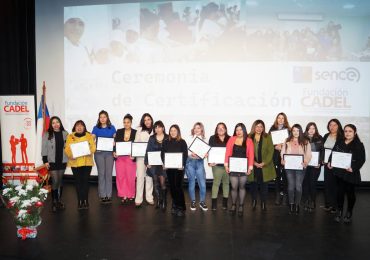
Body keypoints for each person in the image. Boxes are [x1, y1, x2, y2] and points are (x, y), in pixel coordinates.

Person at [328, 124, 365, 223]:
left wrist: (353, 168)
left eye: (350, 131)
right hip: (339, 172)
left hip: (350, 173)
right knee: (339, 193)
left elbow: (362, 159)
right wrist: (330, 162)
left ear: (355, 133)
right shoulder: (339, 142)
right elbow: (333, 153)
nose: (347, 133)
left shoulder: (359, 144)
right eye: (346, 131)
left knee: (350, 194)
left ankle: (349, 212)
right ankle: (339, 211)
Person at [64, 120, 96, 210]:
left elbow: (93, 147)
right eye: (77, 125)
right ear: (75, 127)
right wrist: (71, 155)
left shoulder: (89, 135)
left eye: (81, 125)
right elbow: (67, 149)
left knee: (85, 182)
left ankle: (85, 200)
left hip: (87, 162)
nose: (79, 127)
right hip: (75, 162)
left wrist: (88, 151)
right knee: (78, 182)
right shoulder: (70, 136)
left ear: (84, 127)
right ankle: (79, 201)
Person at [281, 124, 312, 215]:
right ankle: (291, 204)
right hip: (289, 167)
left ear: (300, 131)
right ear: (292, 131)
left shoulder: (306, 142)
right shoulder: (287, 141)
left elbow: (309, 154)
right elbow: (283, 152)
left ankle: (297, 204)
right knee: (291, 186)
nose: (295, 132)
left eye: (298, 131)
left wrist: (306, 161)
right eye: (294, 130)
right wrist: (282, 159)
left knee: (298, 186)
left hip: (300, 167)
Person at [225, 123, 254, 217]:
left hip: (243, 168)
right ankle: (233, 205)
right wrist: (226, 165)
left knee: (242, 187)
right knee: (234, 187)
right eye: (237, 130)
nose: (238, 132)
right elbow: (227, 153)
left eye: (240, 129)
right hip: (233, 168)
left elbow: (251, 155)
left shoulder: (249, 140)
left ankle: (241, 206)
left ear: (244, 130)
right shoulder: (231, 139)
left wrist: (250, 167)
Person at [41, 116, 69, 212]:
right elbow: (44, 148)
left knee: (60, 181)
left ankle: (59, 201)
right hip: (51, 161)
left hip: (62, 160)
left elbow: (69, 146)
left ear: (60, 123)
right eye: (53, 123)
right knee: (55, 180)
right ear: (51, 125)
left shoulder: (65, 134)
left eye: (57, 122)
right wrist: (45, 161)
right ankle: (54, 201)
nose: (56, 124)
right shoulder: (47, 134)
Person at [161, 124, 188, 217]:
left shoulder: (182, 142)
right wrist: (164, 163)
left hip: (179, 169)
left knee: (178, 187)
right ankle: (174, 205)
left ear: (178, 132)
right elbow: (162, 154)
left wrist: (182, 165)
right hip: (169, 168)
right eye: (171, 130)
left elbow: (185, 155)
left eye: (175, 130)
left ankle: (181, 207)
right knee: (172, 187)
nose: (173, 132)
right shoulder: (165, 142)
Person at [248, 120, 275, 211]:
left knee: (264, 186)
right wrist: (254, 163)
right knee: (253, 185)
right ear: (254, 127)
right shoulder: (249, 137)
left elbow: (271, 151)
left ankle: (263, 203)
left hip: (264, 166)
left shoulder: (267, 137)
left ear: (263, 128)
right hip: (253, 166)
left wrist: (264, 163)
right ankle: (254, 201)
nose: (259, 128)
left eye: (261, 127)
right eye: (257, 126)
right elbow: (246, 152)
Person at [92, 110, 116, 204]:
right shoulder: (96, 128)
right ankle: (102, 195)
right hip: (99, 153)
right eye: (101, 117)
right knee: (101, 174)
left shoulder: (112, 127)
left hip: (109, 153)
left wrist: (116, 140)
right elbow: (92, 137)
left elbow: (116, 136)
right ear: (99, 118)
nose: (102, 119)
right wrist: (92, 143)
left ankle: (108, 195)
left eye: (104, 117)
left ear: (107, 118)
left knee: (108, 174)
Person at [145, 120, 168, 210]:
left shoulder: (167, 137)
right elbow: (148, 150)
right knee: (155, 183)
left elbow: (170, 151)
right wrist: (147, 162)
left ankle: (164, 201)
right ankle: (159, 200)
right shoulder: (151, 138)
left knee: (162, 183)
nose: (157, 129)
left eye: (159, 127)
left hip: (163, 165)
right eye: (156, 127)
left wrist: (168, 163)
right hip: (154, 164)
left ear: (163, 127)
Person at [113, 114, 137, 204]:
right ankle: (123, 194)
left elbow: (136, 145)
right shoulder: (119, 131)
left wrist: (134, 155)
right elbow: (115, 144)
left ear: (131, 123)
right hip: (120, 158)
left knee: (130, 177)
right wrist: (114, 152)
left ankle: (131, 194)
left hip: (130, 158)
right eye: (124, 122)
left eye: (128, 122)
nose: (126, 124)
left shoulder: (135, 132)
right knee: (121, 177)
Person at [322, 119, 344, 213]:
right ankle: (328, 204)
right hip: (327, 164)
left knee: (336, 186)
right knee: (327, 184)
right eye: (330, 125)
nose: (332, 127)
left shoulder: (342, 137)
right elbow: (322, 149)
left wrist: (332, 161)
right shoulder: (326, 135)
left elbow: (341, 151)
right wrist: (322, 159)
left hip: (337, 164)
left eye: (335, 125)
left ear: (338, 126)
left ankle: (335, 206)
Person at [269, 112, 291, 205]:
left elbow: (291, 142)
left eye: (282, 118)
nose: (281, 120)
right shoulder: (272, 129)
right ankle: (278, 195)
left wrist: (282, 146)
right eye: (279, 118)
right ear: (276, 119)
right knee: (277, 176)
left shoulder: (289, 130)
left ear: (285, 120)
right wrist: (275, 146)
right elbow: (269, 141)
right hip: (275, 155)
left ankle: (285, 194)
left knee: (286, 176)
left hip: (286, 156)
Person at [186, 122, 208, 211]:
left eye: (198, 128)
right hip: (190, 162)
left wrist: (206, 154)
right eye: (195, 128)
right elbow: (186, 151)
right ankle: (193, 201)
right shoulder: (189, 138)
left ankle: (202, 202)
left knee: (202, 184)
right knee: (191, 183)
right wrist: (191, 154)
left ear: (201, 129)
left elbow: (206, 152)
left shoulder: (205, 140)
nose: (196, 130)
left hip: (200, 162)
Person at [208, 122, 230, 211]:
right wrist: (209, 162)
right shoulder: (212, 138)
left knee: (226, 183)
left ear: (225, 129)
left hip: (228, 165)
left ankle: (225, 203)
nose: (220, 129)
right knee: (216, 183)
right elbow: (209, 150)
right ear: (216, 130)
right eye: (218, 128)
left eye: (222, 128)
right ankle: (214, 204)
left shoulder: (230, 138)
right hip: (216, 165)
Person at [302, 122, 323, 211]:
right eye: (309, 128)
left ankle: (313, 201)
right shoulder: (302, 138)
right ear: (307, 130)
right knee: (305, 183)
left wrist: (320, 162)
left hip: (315, 166)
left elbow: (322, 152)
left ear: (316, 130)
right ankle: (306, 200)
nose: (311, 130)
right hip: (305, 165)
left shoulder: (320, 138)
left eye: (313, 128)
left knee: (312, 184)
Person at [134, 113, 154, 207]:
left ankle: (149, 197)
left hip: (151, 157)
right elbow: (136, 142)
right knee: (140, 177)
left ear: (151, 120)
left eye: (148, 119)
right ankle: (138, 198)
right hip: (141, 157)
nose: (147, 121)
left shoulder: (155, 129)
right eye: (145, 120)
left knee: (149, 177)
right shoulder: (139, 130)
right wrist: (134, 153)